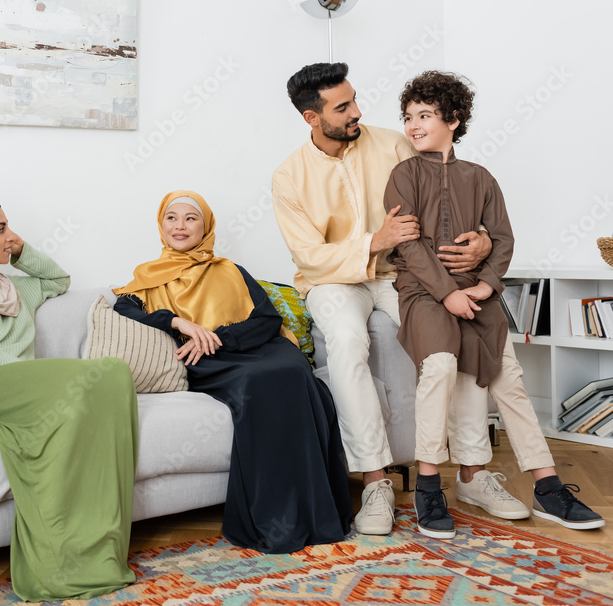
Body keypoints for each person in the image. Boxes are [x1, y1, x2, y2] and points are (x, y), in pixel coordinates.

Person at [273, 62, 499, 537]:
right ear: (312, 118)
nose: (357, 112)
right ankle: (376, 481)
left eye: (355, 99)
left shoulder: (392, 145)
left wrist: (481, 237)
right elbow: (311, 257)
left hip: (404, 273)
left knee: (461, 330)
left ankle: (474, 473)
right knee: (348, 342)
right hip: (334, 281)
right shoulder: (289, 177)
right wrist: (374, 241)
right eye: (343, 107)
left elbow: (445, 200)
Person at [385, 70, 604, 536]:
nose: (414, 124)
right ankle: (428, 486)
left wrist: (484, 287)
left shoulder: (480, 177)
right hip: (423, 293)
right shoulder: (403, 175)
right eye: (408, 116)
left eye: (425, 115)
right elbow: (408, 247)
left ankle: (547, 487)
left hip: (475, 292)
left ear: (454, 119)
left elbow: (502, 239)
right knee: (441, 367)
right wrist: (449, 292)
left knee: (509, 375)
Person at [0, 195, 138, 601]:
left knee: (114, 378)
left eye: (9, 228)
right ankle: (60, 559)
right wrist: (37, 372)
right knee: (103, 373)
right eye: (0, 228)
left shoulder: (10, 287)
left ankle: (92, 547)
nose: (11, 236)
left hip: (27, 388)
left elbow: (58, 281)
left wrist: (20, 253)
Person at [113, 190, 352, 553]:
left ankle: (318, 514)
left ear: (205, 225)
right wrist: (178, 322)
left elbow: (268, 320)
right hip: (208, 362)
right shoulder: (147, 277)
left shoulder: (230, 270)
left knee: (295, 373)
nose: (180, 226)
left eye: (191, 218)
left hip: (251, 346)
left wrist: (219, 335)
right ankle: (275, 522)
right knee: (260, 383)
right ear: (161, 226)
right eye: (171, 218)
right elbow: (126, 311)